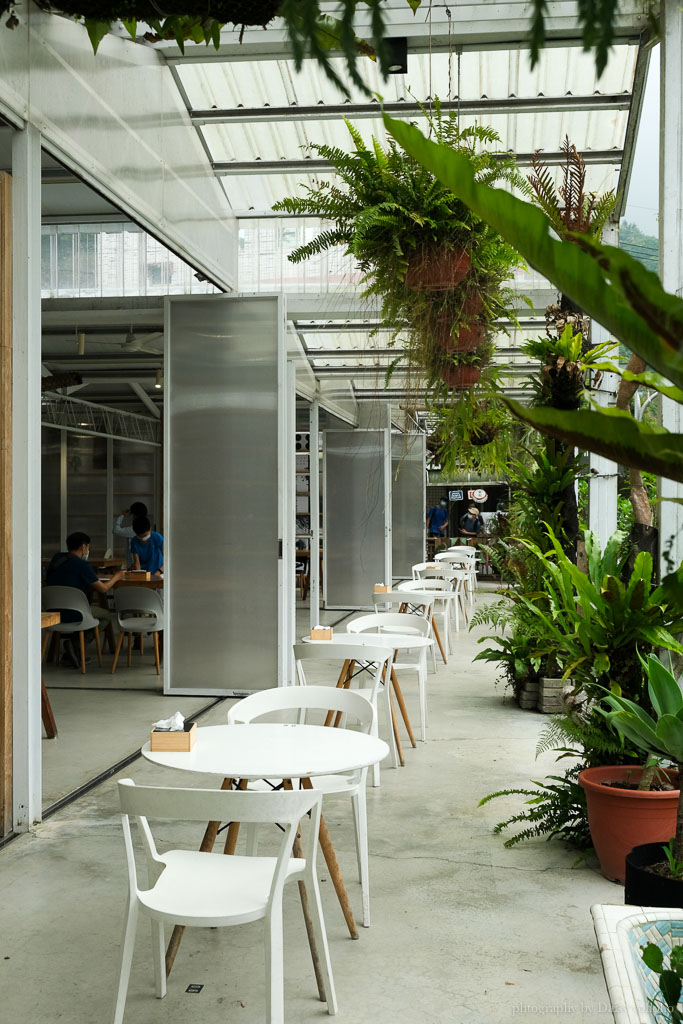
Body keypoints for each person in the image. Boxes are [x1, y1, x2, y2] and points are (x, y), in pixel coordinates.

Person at [45, 531, 125, 667]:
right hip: (75, 613)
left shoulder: (56, 559)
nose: (88, 550)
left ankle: (71, 652)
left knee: (89, 610)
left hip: (52, 612)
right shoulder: (82, 566)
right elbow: (103, 589)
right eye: (88, 547)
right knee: (105, 615)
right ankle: (75, 644)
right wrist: (117, 576)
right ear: (83, 547)